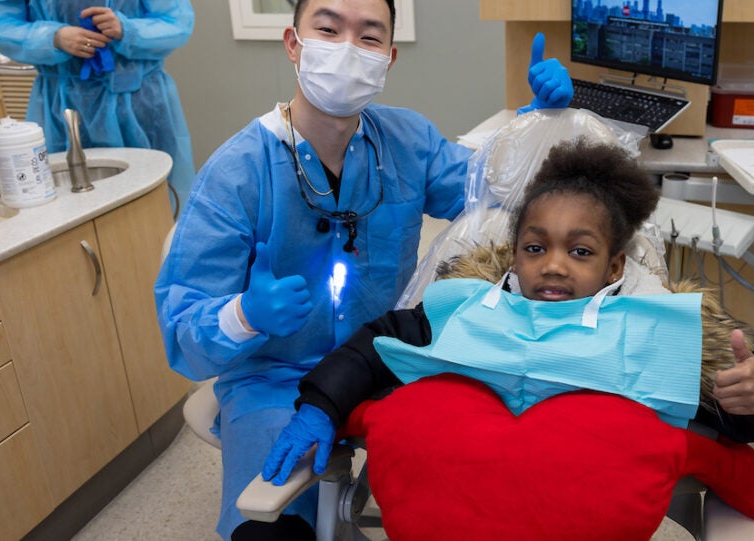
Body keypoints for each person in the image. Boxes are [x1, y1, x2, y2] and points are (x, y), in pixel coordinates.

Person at [152, 0, 573, 538]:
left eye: (369, 37)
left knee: (476, 494)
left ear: (389, 58)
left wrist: (538, 124)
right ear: (293, 43)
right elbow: (184, 336)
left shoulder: (407, 142)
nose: (348, 49)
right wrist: (245, 315)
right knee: (268, 525)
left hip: (387, 364)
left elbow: (491, 188)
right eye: (328, 29)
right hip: (276, 381)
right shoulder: (236, 175)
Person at [262, 138, 754, 486]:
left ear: (616, 266)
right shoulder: (470, 305)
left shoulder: (654, 324)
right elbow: (377, 345)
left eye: (580, 252)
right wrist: (321, 404)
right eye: (534, 247)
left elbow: (738, 406)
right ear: (515, 252)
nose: (552, 266)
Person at [0, 0, 196, 196]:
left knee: (161, 198)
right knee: (71, 203)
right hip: (62, 107)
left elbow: (178, 21)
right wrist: (53, 37)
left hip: (141, 104)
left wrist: (127, 29)